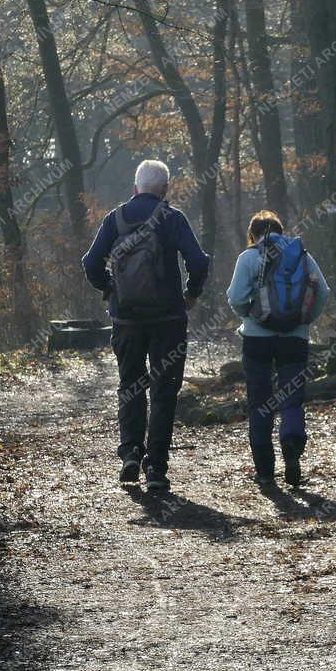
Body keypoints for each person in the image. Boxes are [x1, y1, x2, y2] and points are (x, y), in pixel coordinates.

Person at [82, 159, 210, 492]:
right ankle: (155, 468)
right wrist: (191, 293)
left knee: (131, 385)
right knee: (164, 391)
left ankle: (130, 453)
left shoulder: (115, 219)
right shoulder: (173, 218)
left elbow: (91, 262)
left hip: (126, 320)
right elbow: (198, 261)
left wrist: (109, 288)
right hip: (168, 320)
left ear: (135, 187)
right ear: (165, 189)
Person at [226, 211, 330, 488]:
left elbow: (236, 297)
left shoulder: (248, 258)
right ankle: (291, 446)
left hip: (256, 339)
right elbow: (323, 292)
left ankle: (265, 471)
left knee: (260, 402)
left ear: (253, 235)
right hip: (294, 338)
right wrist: (304, 319)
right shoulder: (302, 256)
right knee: (292, 398)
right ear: (281, 232)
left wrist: (249, 315)